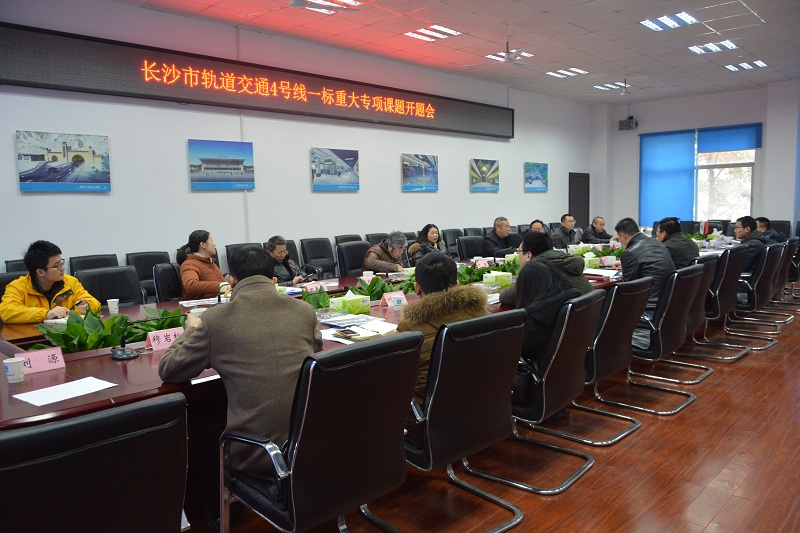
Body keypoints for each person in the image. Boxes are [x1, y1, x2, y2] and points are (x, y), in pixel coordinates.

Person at [159, 246, 323, 480]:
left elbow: (169, 369)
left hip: (257, 454)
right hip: (308, 446)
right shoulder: (304, 310)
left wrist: (192, 329)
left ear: (231, 281)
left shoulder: (216, 320)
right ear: (274, 279)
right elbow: (315, 352)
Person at [396, 252, 487, 443]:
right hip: (482, 409)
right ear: (457, 284)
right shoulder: (480, 311)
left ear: (417, 288)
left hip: (428, 422)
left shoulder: (410, 328)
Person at [0, 240, 100, 324]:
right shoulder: (17, 287)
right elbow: (7, 311)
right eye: (57, 266)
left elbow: (94, 303)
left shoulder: (70, 282)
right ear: (40, 272)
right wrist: (46, 314)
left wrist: (85, 307)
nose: (62, 268)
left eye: (61, 263)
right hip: (33, 336)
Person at [515, 260, 581, 376]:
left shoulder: (535, 320)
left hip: (537, 376)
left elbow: (517, 351)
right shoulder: (569, 299)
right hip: (570, 371)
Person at [499, 230, 592, 305]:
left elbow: (505, 297)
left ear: (528, 255)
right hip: (587, 319)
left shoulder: (537, 269)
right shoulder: (566, 260)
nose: (518, 255)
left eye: (519, 251)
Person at [615, 217, 675, 301]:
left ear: (623, 236)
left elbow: (627, 289)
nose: (620, 242)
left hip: (649, 302)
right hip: (668, 299)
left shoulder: (630, 252)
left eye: (619, 238)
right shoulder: (657, 243)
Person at [177, 230, 226, 300]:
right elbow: (190, 285)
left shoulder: (210, 262)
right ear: (203, 244)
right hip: (199, 305)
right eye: (211, 240)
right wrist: (220, 286)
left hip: (217, 302)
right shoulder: (189, 264)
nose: (214, 244)